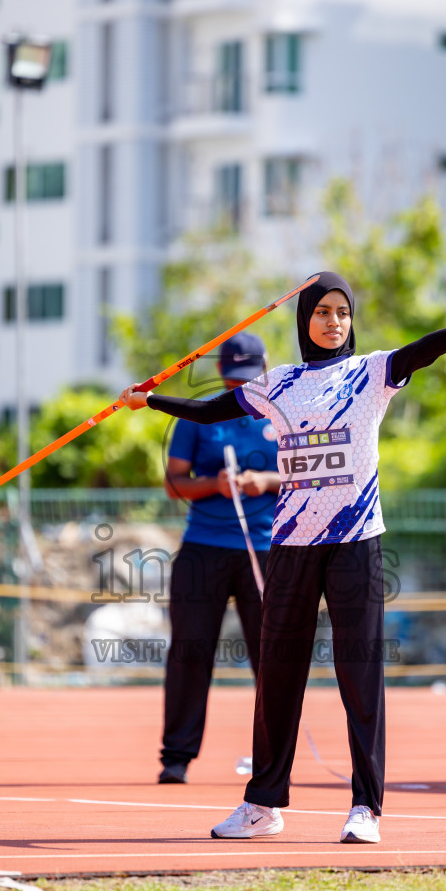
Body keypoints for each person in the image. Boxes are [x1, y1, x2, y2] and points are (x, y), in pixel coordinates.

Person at [121, 271, 446, 840]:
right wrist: (149, 399)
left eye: (342, 312)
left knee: (360, 673)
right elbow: (212, 410)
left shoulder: (372, 372)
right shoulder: (278, 384)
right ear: (304, 319)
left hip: (357, 543)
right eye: (322, 312)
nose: (334, 322)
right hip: (291, 545)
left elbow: (423, 350)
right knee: (278, 676)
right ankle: (263, 804)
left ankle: (367, 808)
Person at [156, 332, 280, 784]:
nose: (239, 390)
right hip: (203, 549)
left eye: (247, 380)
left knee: (271, 656)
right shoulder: (200, 417)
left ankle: (273, 760)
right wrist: (215, 485)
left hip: (267, 551)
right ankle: (176, 757)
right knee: (189, 652)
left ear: (266, 370)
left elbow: (305, 475)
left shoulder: (283, 411)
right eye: (232, 381)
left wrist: (263, 481)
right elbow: (174, 482)